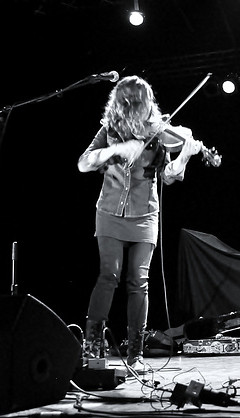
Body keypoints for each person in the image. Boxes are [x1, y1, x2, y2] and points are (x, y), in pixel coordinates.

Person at [77, 75, 202, 374]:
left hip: (145, 215)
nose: (143, 111)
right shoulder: (109, 131)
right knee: (109, 275)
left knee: (139, 281)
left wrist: (184, 156)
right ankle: (93, 349)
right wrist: (116, 150)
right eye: (136, 105)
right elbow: (84, 162)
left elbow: (170, 175)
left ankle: (135, 354)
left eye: (145, 104)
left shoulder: (158, 132)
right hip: (108, 212)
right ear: (123, 106)